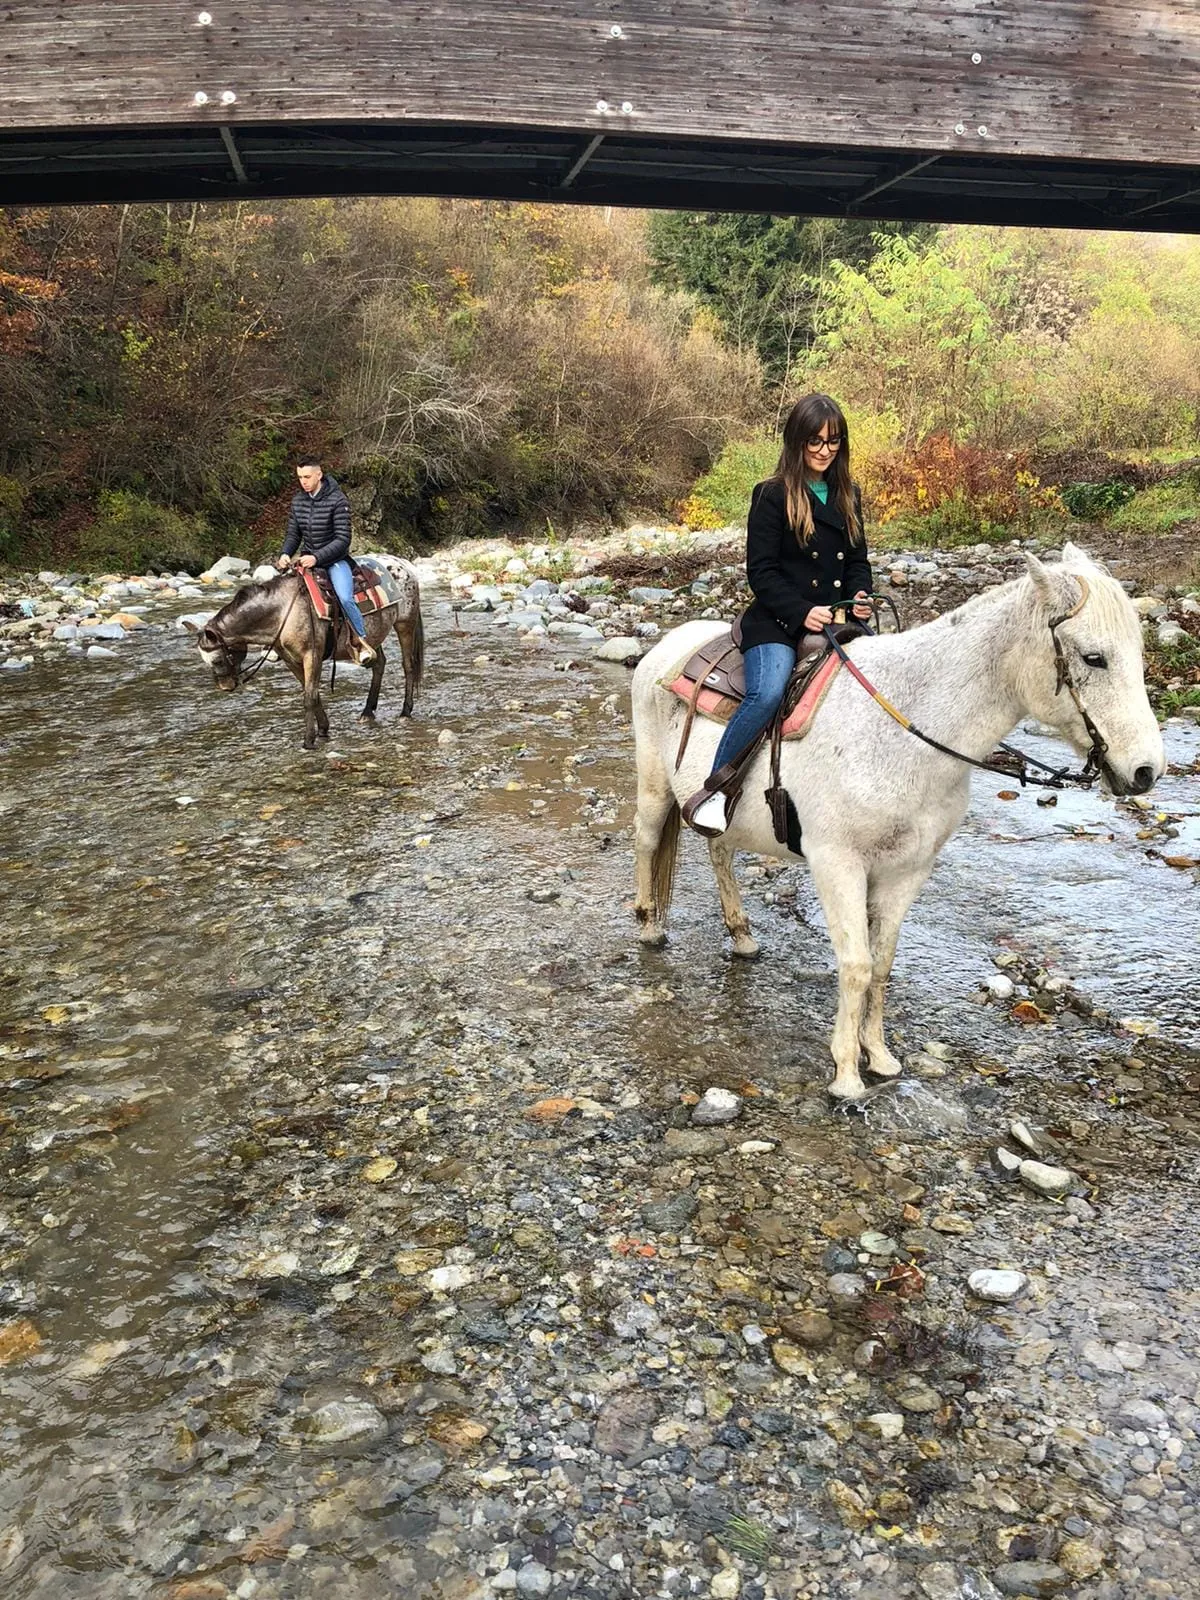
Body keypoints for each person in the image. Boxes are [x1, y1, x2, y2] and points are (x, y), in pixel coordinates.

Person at [686, 393, 873, 835]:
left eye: (833, 441)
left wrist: (860, 593)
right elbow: (762, 571)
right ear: (796, 442)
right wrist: (803, 611)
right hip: (777, 620)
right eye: (815, 442)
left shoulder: (849, 494)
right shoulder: (771, 495)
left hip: (837, 619)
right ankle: (717, 790)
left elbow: (856, 561)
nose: (825, 451)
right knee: (767, 693)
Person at [277, 456, 376, 664]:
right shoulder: (298, 501)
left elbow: (343, 539)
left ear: (319, 475)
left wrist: (317, 557)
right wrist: (285, 553)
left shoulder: (338, 500)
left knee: (345, 597)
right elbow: (294, 534)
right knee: (281, 593)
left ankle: (361, 642)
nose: (303, 481)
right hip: (307, 559)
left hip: (335, 561)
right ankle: (279, 642)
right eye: (300, 477)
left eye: (307, 476)